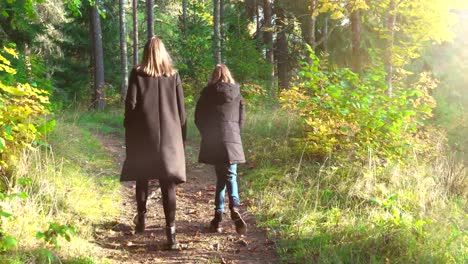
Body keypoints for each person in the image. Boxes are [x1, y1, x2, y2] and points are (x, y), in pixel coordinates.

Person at [121, 36, 186, 250]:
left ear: (146, 52)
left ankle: (141, 218)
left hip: (144, 135)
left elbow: (131, 105)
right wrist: (181, 138)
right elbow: (182, 112)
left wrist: (129, 128)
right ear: (164, 53)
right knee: (168, 184)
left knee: (142, 176)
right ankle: (172, 234)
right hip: (169, 137)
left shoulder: (138, 74)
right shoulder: (173, 75)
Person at [195, 64, 247, 235]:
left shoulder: (206, 94)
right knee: (231, 175)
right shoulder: (237, 94)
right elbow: (241, 120)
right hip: (232, 139)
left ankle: (218, 216)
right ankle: (234, 206)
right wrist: (234, 134)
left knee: (220, 178)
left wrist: (207, 134)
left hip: (215, 141)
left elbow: (198, 118)